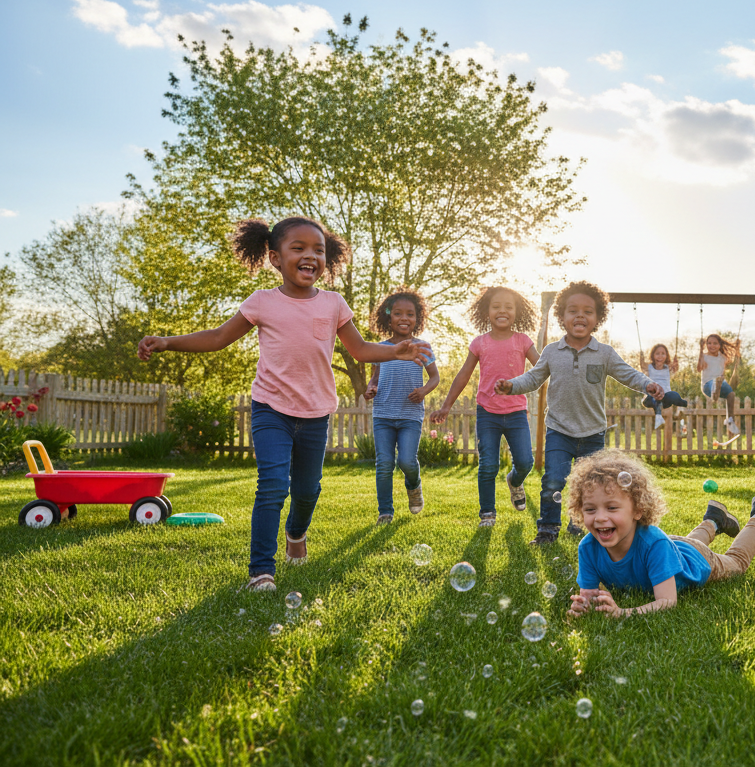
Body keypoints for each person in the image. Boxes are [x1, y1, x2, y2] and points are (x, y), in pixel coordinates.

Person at [136, 217, 430, 592]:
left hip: (315, 413)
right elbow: (219, 337)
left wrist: (395, 351)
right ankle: (261, 571)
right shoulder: (262, 302)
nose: (311, 256)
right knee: (273, 485)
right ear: (275, 257)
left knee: (308, 490)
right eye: (299, 248)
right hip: (270, 408)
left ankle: (296, 532)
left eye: (319, 250)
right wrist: (167, 340)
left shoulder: (334, 303)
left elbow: (359, 349)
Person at [496, 281, 667, 546]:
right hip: (559, 430)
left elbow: (627, 374)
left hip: (592, 433)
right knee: (553, 480)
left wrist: (648, 384)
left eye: (588, 311)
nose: (580, 316)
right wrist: (511, 386)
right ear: (562, 316)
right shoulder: (553, 351)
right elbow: (533, 378)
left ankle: (579, 525)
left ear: (597, 319)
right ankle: (547, 531)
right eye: (573, 310)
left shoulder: (604, 353)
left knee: (591, 487)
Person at [565, 450, 755, 618]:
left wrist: (623, 612)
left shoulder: (653, 543)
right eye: (590, 509)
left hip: (696, 559)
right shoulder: (588, 547)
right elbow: (588, 594)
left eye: (612, 507)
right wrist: (583, 605)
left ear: (638, 510)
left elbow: (667, 601)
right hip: (675, 547)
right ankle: (714, 520)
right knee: (687, 543)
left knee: (736, 563)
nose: (600, 518)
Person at [429, 286, 539, 526]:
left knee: (525, 462)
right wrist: (446, 405)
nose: (502, 311)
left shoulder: (523, 341)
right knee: (488, 464)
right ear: (486, 311)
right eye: (496, 306)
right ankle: (487, 513)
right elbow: (463, 375)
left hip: (517, 412)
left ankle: (515, 481)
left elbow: (540, 368)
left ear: (517, 312)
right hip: (487, 412)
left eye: (508, 307)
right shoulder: (480, 343)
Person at [362, 288, 439, 525]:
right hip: (383, 414)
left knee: (406, 461)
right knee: (384, 464)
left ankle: (413, 484)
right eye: (398, 313)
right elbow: (375, 376)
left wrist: (423, 391)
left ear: (418, 318)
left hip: (410, 415)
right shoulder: (381, 348)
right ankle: (385, 512)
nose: (404, 318)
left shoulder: (423, 347)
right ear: (389, 317)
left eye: (410, 314)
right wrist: (370, 388)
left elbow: (435, 378)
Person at [697, 333, 741, 436]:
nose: (712, 346)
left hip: (720, 384)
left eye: (715, 343)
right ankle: (714, 389)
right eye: (709, 343)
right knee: (715, 382)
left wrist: (737, 348)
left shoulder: (722, 358)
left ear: (720, 345)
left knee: (731, 394)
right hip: (707, 385)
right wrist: (700, 349)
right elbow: (699, 368)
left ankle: (730, 420)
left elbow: (735, 359)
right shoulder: (704, 356)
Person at [638, 343, 688, 430]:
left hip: (665, 398)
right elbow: (642, 365)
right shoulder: (649, 367)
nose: (660, 356)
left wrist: (676, 362)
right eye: (657, 354)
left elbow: (675, 368)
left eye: (663, 354)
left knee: (674, 394)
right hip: (650, 398)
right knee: (656, 394)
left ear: (666, 356)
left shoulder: (668, 368)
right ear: (653, 355)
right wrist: (641, 357)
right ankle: (659, 417)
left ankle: (680, 409)